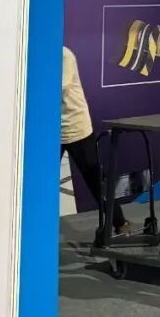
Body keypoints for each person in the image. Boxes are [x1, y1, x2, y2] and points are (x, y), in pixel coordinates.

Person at [62, 47, 131, 236]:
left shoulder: (64, 55)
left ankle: (119, 221)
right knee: (41, 179)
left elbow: (58, 88)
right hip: (49, 131)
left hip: (76, 127)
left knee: (95, 179)